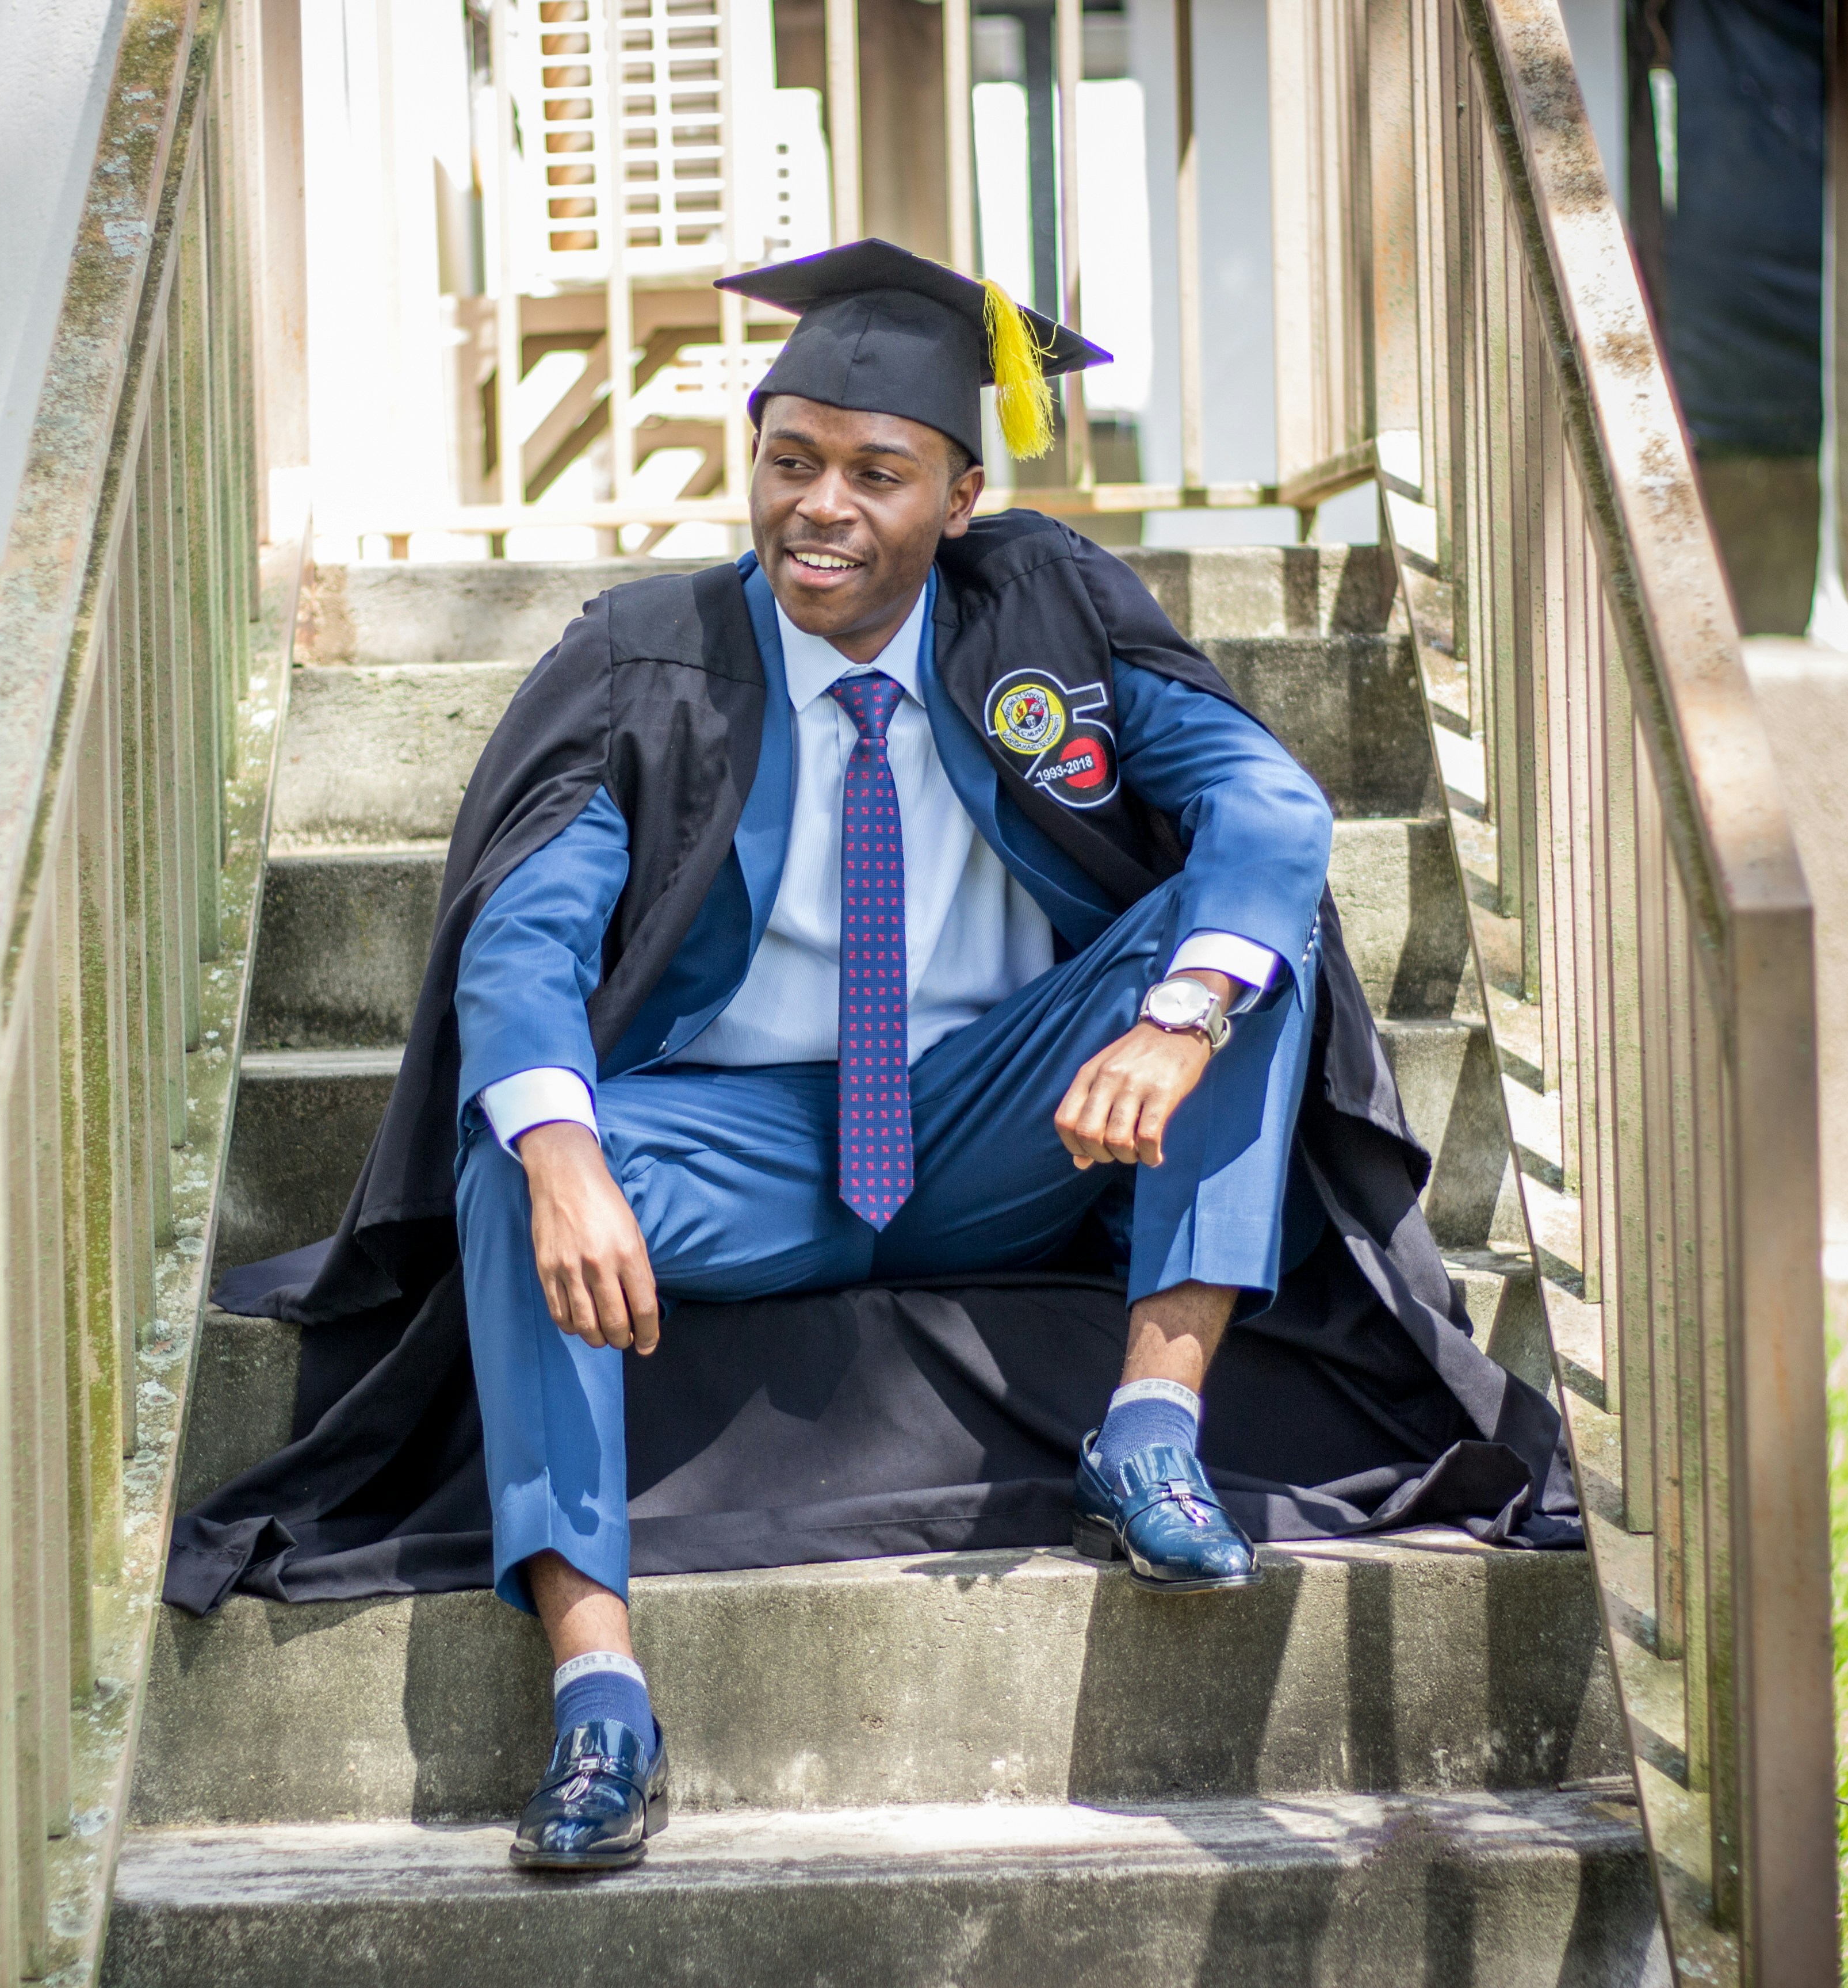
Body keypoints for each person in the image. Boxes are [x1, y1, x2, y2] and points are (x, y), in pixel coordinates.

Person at [162, 240, 1578, 1876]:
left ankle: (1153, 1420)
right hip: (742, 1140)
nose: (819, 507)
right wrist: (564, 1158)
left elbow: (1265, 805)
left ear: (959, 500)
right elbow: (522, 941)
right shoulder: (651, 664)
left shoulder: (1045, 610)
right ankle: (597, 1680)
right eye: (789, 461)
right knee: (519, 1142)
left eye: (874, 473)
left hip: (1001, 1122)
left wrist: (1178, 1017)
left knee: (1241, 934)